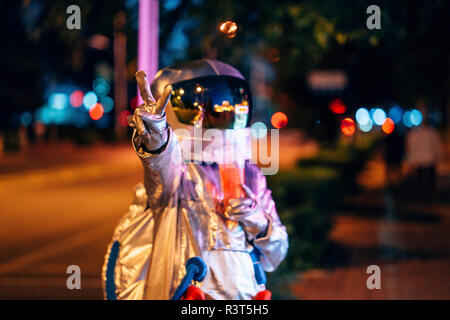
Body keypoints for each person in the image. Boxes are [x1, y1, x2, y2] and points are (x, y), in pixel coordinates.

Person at [102, 59, 288, 300]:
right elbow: (159, 166)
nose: (219, 117)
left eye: (229, 106)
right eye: (199, 107)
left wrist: (256, 219)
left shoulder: (250, 176)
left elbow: (277, 254)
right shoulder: (177, 174)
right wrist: (156, 134)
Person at [405, 117, 444, 202]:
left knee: (419, 179)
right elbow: (437, 146)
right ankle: (428, 195)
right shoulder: (433, 133)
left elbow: (409, 146)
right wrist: (439, 156)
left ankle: (421, 196)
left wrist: (410, 159)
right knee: (430, 179)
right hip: (429, 159)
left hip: (418, 160)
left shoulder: (414, 133)